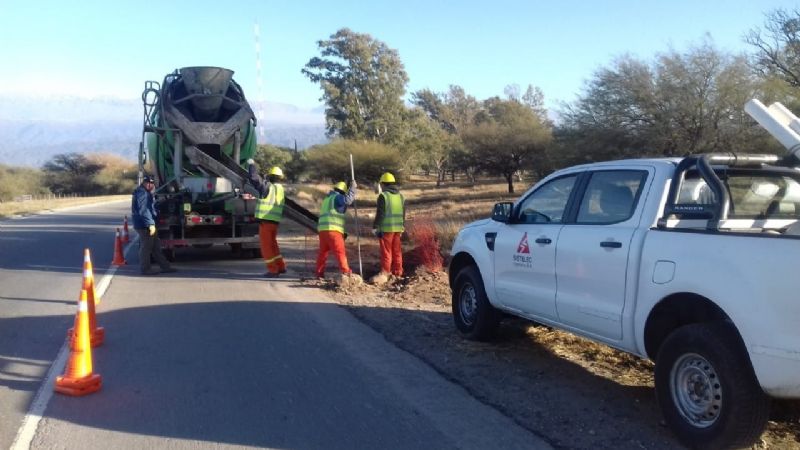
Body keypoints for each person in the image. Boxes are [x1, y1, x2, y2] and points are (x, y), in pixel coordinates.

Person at [131, 175, 176, 275]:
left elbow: (150, 208)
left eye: (152, 183)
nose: (150, 185)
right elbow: (143, 210)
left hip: (147, 224)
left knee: (156, 247)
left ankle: (165, 267)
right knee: (146, 248)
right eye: (148, 183)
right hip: (144, 225)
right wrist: (150, 224)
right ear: (143, 183)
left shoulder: (146, 192)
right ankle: (145, 269)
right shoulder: (142, 193)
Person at [248, 161, 287, 277]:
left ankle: (273, 270)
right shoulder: (280, 189)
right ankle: (281, 267)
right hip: (274, 222)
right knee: (273, 246)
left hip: (266, 222)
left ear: (270, 176)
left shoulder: (268, 187)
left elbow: (254, 179)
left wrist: (251, 165)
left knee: (266, 247)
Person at [316, 180, 357, 279]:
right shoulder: (338, 197)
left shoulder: (327, 199)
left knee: (323, 253)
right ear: (343, 192)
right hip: (333, 231)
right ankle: (346, 273)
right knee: (340, 252)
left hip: (323, 230)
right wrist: (353, 189)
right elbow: (348, 200)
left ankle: (319, 274)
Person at [372, 172, 405, 280]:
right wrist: (402, 226)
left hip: (386, 229)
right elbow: (403, 213)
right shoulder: (400, 196)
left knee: (386, 252)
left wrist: (375, 227)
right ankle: (398, 272)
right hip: (398, 229)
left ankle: (385, 273)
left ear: (383, 184)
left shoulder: (383, 196)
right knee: (397, 251)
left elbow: (380, 213)